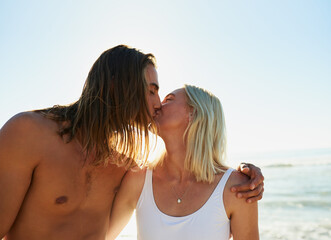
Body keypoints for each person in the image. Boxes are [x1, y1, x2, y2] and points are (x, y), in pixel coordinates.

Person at [0, 45, 263, 240]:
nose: (157, 104)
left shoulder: (123, 168)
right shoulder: (29, 133)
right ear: (117, 86)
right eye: (151, 91)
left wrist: (247, 175)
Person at [108, 85, 259, 240]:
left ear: (193, 113)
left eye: (169, 100)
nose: (158, 105)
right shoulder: (138, 180)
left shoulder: (237, 187)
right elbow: (101, 235)